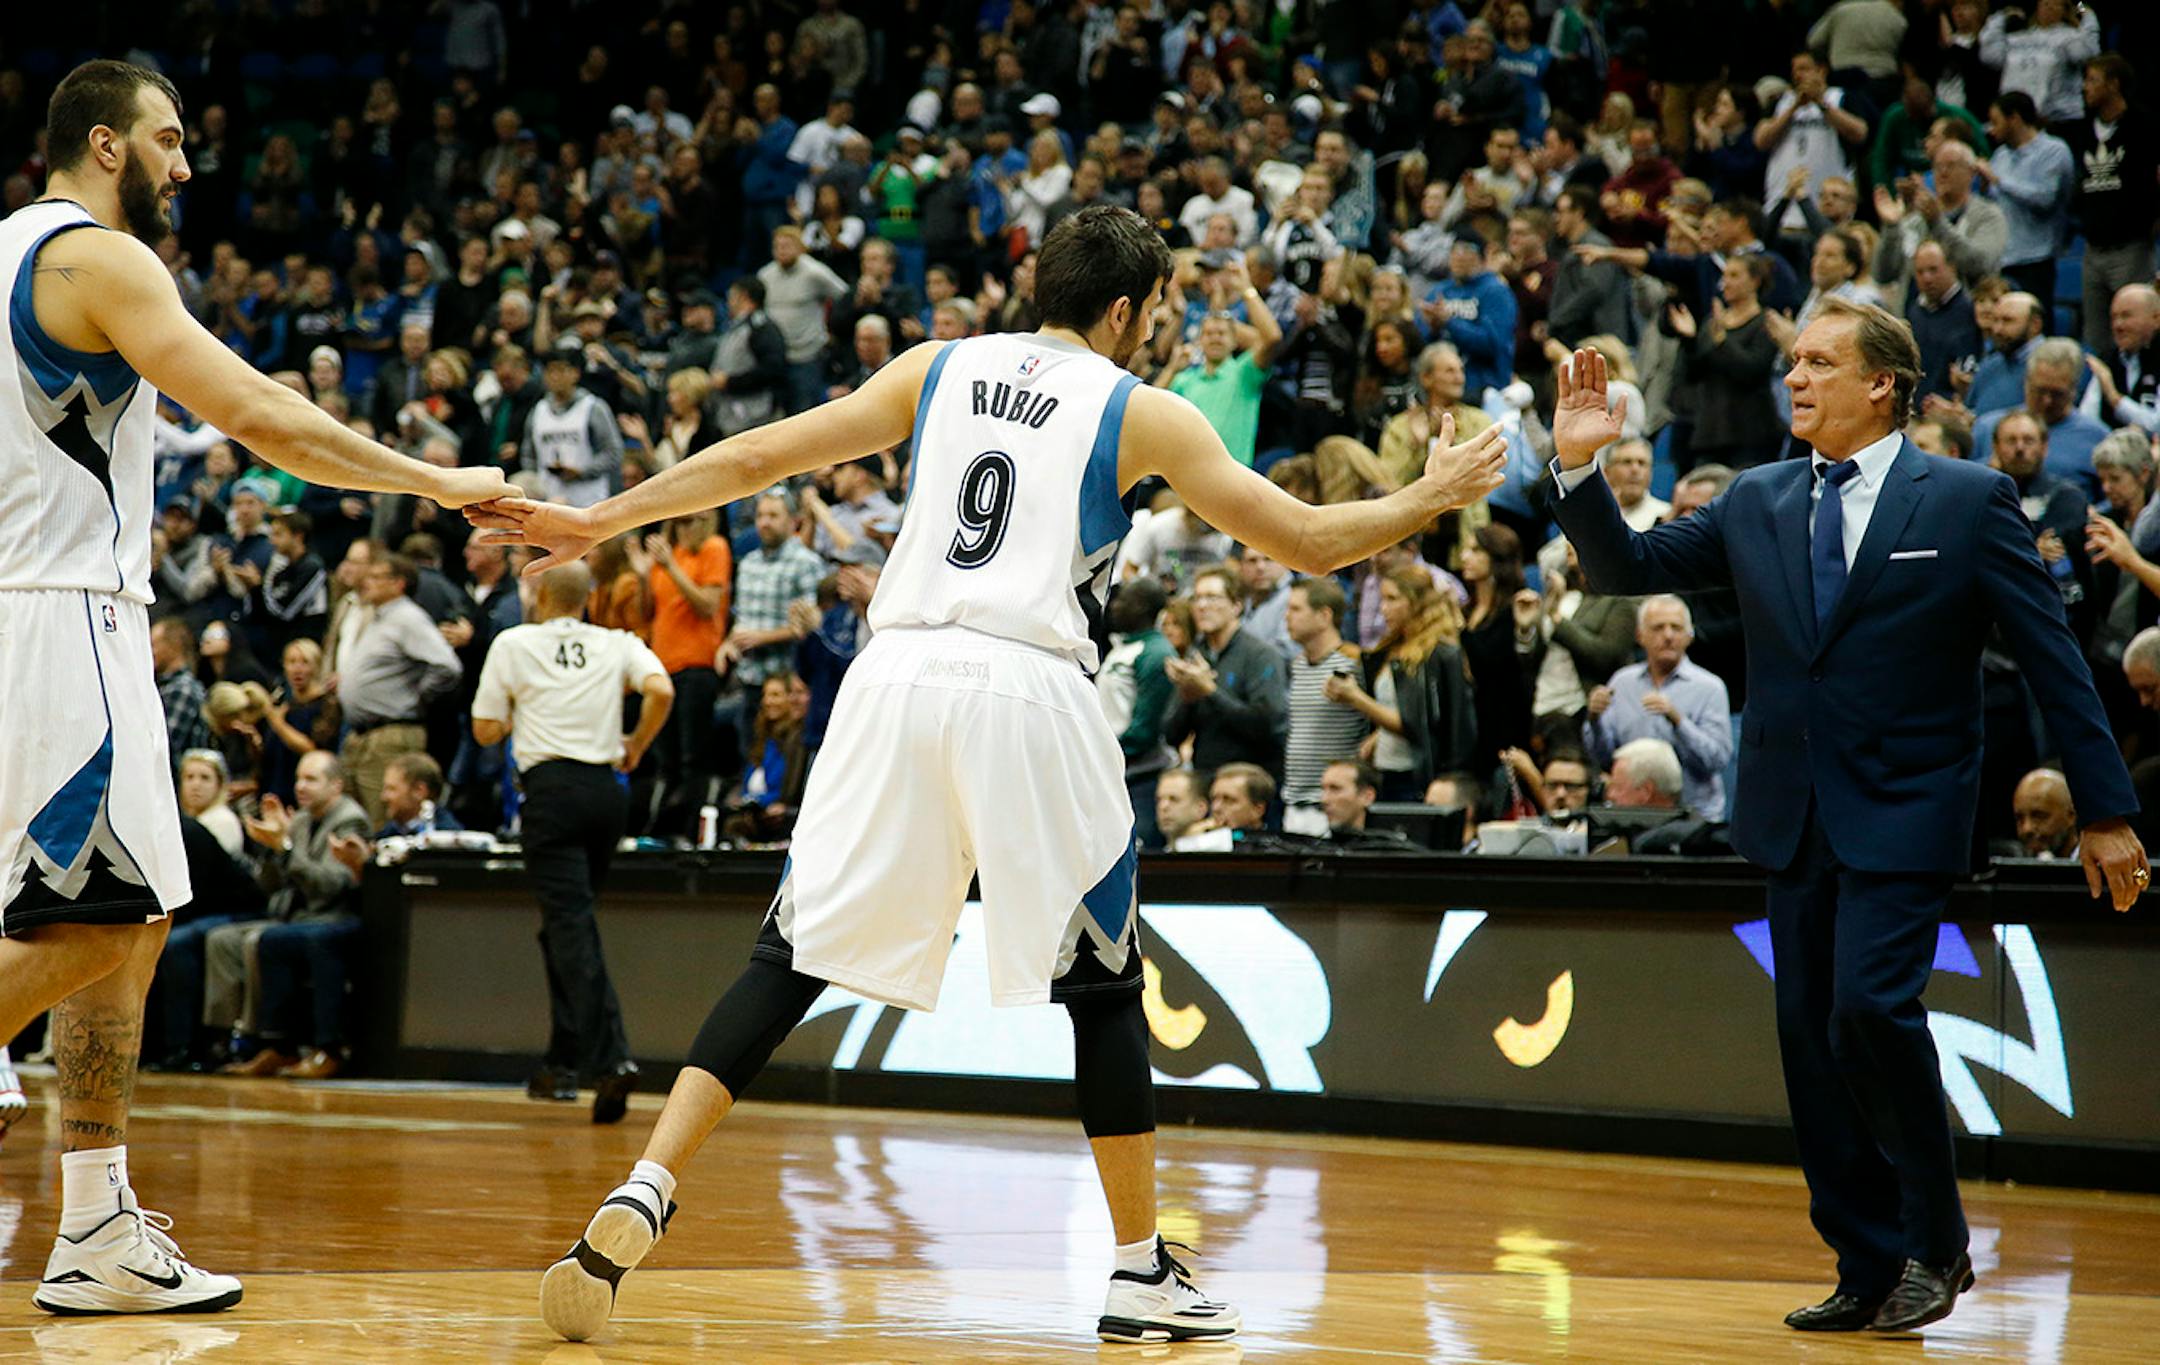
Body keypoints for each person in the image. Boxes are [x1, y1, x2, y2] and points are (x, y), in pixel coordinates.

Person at [473, 203, 1505, 1347]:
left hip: (894, 674)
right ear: (1124, 312)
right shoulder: (1140, 411)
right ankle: (1135, 1270)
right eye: (1154, 313)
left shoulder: (936, 367)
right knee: (1104, 980)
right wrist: (1429, 496)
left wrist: (600, 519)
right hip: (1028, 683)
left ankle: (646, 1189)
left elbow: (762, 452)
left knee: (790, 955)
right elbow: (1307, 542)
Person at [0, 59, 511, 1317]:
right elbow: (265, 419)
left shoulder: (5, 250)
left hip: (27, 611)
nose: (187, 166)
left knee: (135, 917)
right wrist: (441, 484)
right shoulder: (99, 258)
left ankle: (96, 1227)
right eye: (171, 142)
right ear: (106, 144)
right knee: (104, 923)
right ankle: (95, 1223)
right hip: (67, 618)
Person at [1547, 302, 2144, 1336]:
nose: (1797, 378)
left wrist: (2106, 809)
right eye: (1792, 363)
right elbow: (1627, 571)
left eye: (1820, 362)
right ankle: (1866, 1262)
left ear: (1884, 385)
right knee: (1809, 1045)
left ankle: (1937, 1243)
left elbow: (2054, 657)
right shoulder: (1758, 497)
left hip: (1909, 806)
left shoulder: (1965, 499)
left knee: (1869, 1008)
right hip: (1789, 811)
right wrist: (1576, 473)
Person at [473, 562, 673, 1123]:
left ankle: (612, 1061)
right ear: (589, 599)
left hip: (552, 795)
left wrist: (520, 711)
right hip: (606, 796)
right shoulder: (617, 642)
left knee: (571, 928)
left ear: (537, 596)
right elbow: (661, 688)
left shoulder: (514, 643)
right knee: (564, 927)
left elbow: (484, 728)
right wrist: (635, 744)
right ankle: (561, 1062)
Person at [336, 552, 466, 825]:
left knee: (385, 821)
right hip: (362, 736)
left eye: (375, 577)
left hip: (390, 735)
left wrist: (414, 699)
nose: (366, 582)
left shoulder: (408, 618)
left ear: (399, 583)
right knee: (355, 824)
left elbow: (447, 665)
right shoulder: (378, 616)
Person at [1583, 595, 1733, 819]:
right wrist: (1594, 720)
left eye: (1676, 627)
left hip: (1694, 818)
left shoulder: (1710, 688)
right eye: (1658, 627)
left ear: (1689, 635)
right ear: (1639, 635)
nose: (1668, 635)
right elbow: (1604, 758)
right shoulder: (1621, 684)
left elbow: (1717, 760)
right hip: (1633, 815)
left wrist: (1678, 721)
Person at [1280, 577, 1369, 833]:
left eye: (1296, 609)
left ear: (1324, 615)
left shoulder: (1353, 663)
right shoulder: (1297, 665)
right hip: (1294, 799)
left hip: (1333, 803)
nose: (1287, 617)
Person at [1997, 767, 2079, 860]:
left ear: (2071, 815)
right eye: (2019, 819)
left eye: (2039, 816)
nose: (2027, 828)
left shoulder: (2097, 867)